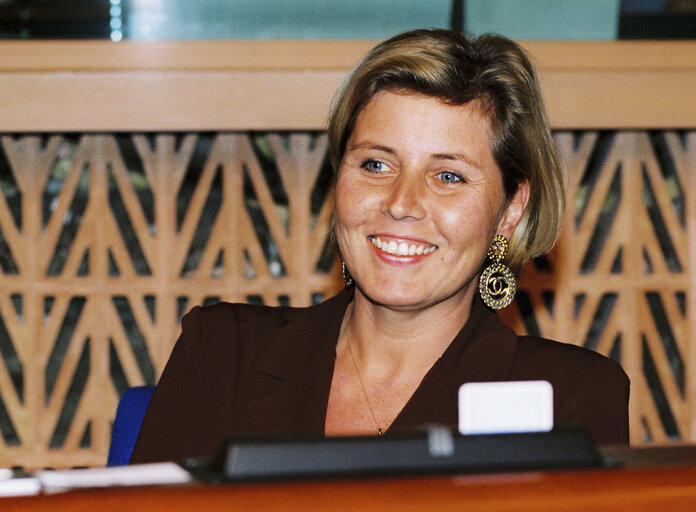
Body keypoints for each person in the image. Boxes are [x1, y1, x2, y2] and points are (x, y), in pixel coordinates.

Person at [130, 29, 629, 464]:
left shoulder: (571, 399)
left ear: (510, 210)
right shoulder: (220, 353)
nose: (401, 203)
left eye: (448, 175)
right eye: (375, 164)